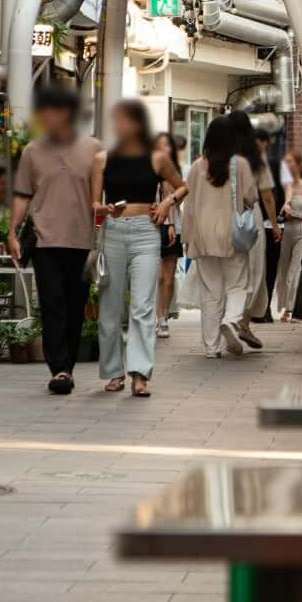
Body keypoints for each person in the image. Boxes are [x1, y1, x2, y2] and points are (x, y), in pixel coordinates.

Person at [8, 85, 101, 396]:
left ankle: (68, 365)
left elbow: (101, 196)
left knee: (75, 306)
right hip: (45, 240)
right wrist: (12, 231)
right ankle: (58, 369)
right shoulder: (32, 151)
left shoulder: (93, 148)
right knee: (52, 304)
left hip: (82, 239)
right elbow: (23, 195)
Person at [91, 101, 187, 398]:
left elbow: (182, 186)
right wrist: (102, 208)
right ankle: (113, 372)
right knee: (109, 306)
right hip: (113, 232)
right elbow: (93, 202)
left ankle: (140, 374)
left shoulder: (158, 158)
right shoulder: (101, 159)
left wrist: (168, 203)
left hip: (146, 232)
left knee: (143, 306)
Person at [182, 115, 258, 358]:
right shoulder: (240, 165)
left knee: (210, 293)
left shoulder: (196, 166)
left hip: (203, 235)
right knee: (238, 284)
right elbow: (251, 198)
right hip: (231, 235)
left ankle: (211, 347)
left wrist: (187, 237)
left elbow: (190, 204)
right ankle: (232, 318)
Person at [227, 111, 280, 350]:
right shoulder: (254, 157)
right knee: (255, 271)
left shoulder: (220, 155)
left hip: (225, 215)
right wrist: (275, 225)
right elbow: (267, 195)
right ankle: (242, 321)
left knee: (227, 271)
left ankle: (228, 320)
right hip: (252, 216)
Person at [153, 131, 183, 338]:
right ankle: (157, 317)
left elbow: (179, 199)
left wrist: (172, 222)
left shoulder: (174, 172)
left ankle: (164, 317)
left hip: (173, 226)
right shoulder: (150, 169)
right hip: (153, 226)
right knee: (157, 276)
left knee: (169, 278)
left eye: (168, 145)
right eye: (161, 145)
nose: (165, 148)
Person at [254, 129, 283, 323]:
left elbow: (275, 193)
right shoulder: (261, 163)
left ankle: (263, 310)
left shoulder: (272, 164)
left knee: (265, 268)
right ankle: (261, 310)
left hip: (259, 221)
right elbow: (272, 195)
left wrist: (276, 222)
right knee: (263, 268)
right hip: (261, 222)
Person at [273, 150, 302, 320]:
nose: (287, 165)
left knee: (295, 270)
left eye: (290, 161)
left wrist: (296, 215)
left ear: (298, 163)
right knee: (284, 270)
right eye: (286, 162)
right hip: (288, 231)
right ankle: (285, 306)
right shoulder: (287, 186)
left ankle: (291, 309)